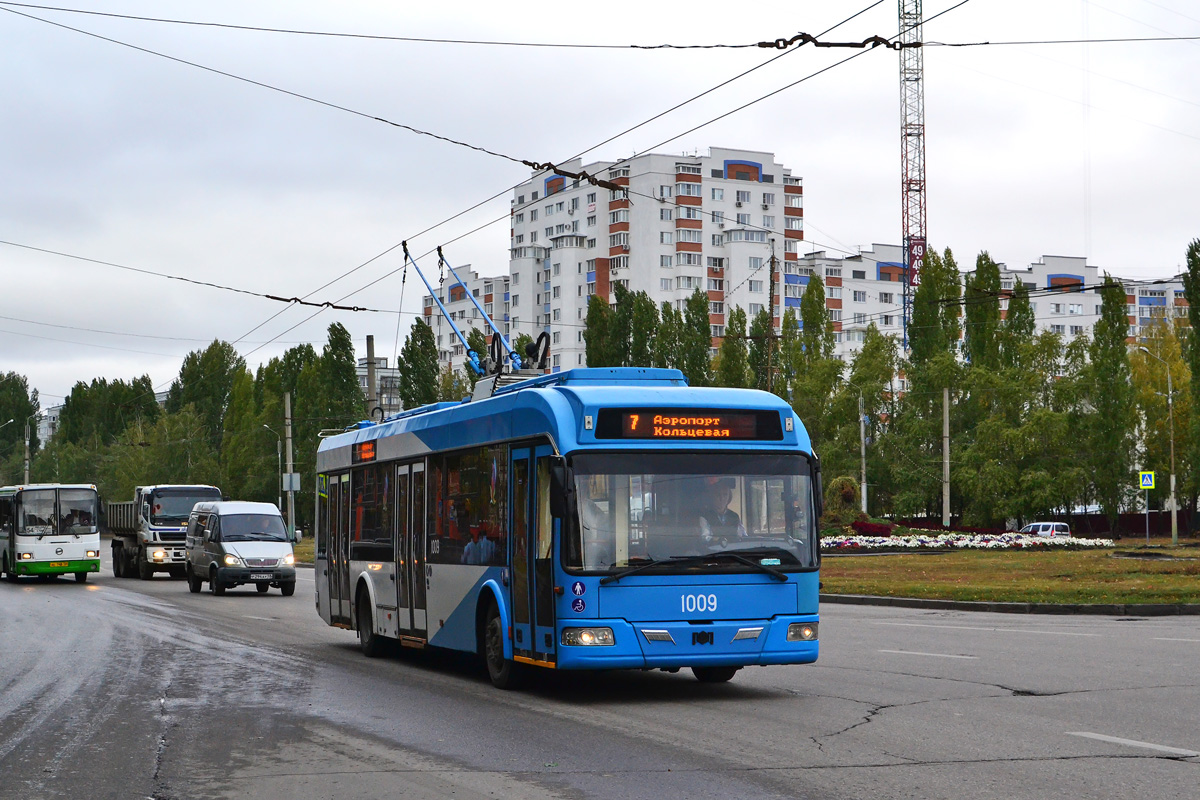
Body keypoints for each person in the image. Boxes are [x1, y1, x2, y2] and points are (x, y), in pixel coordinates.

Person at [699, 478, 746, 543]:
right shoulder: (704, 516)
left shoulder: (734, 516)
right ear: (711, 496)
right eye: (718, 495)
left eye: (725, 495)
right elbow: (705, 538)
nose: (722, 498)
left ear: (729, 497)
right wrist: (719, 540)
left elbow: (743, 536)